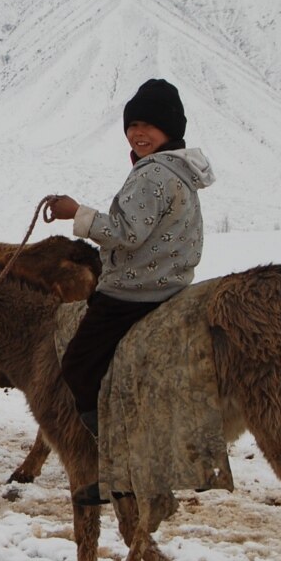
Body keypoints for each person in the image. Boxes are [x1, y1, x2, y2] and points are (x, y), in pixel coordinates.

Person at [46, 78, 215, 506]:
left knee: (78, 367)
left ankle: (126, 460)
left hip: (133, 293)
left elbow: (126, 232)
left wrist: (76, 213)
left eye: (150, 126)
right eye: (133, 124)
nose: (139, 133)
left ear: (170, 131)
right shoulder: (179, 171)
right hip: (171, 285)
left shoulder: (154, 173)